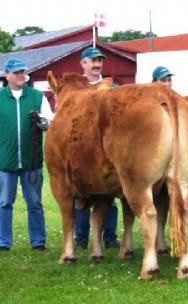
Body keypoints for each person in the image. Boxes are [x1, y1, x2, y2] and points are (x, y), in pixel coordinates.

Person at [0, 58, 53, 251]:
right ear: (7, 75)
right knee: (4, 203)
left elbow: (50, 122)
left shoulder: (38, 96)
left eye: (23, 72)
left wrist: (43, 123)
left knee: (35, 203)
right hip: (5, 160)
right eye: (16, 72)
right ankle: (3, 243)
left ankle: (38, 242)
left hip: (32, 161)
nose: (21, 75)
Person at [74, 47, 119, 249]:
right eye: (93, 60)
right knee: (82, 194)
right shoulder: (76, 88)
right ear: (83, 63)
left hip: (107, 148)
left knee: (110, 194)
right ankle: (81, 236)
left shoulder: (111, 86)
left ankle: (109, 236)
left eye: (100, 60)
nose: (97, 64)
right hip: (83, 148)